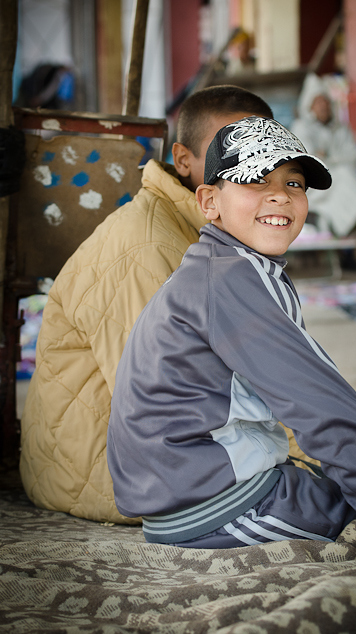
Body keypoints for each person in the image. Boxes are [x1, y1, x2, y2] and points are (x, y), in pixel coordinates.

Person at [107, 116, 356, 557]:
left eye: (294, 183)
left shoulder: (222, 266)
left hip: (190, 489)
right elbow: (319, 404)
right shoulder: (229, 280)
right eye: (254, 180)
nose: (279, 194)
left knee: (343, 490)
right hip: (216, 505)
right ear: (209, 202)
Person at [19, 85, 279, 524]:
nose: (246, 170)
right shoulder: (149, 248)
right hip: (109, 473)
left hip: (154, 453)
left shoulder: (219, 231)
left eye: (261, 157)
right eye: (226, 154)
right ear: (182, 161)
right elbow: (166, 407)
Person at [291, 73, 356, 270]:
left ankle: (348, 254)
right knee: (348, 180)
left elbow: (352, 157)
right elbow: (308, 162)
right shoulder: (301, 128)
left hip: (339, 182)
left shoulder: (341, 128)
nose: (323, 107)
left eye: (325, 102)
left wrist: (328, 158)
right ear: (310, 105)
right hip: (315, 187)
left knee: (348, 181)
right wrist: (331, 160)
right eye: (318, 102)